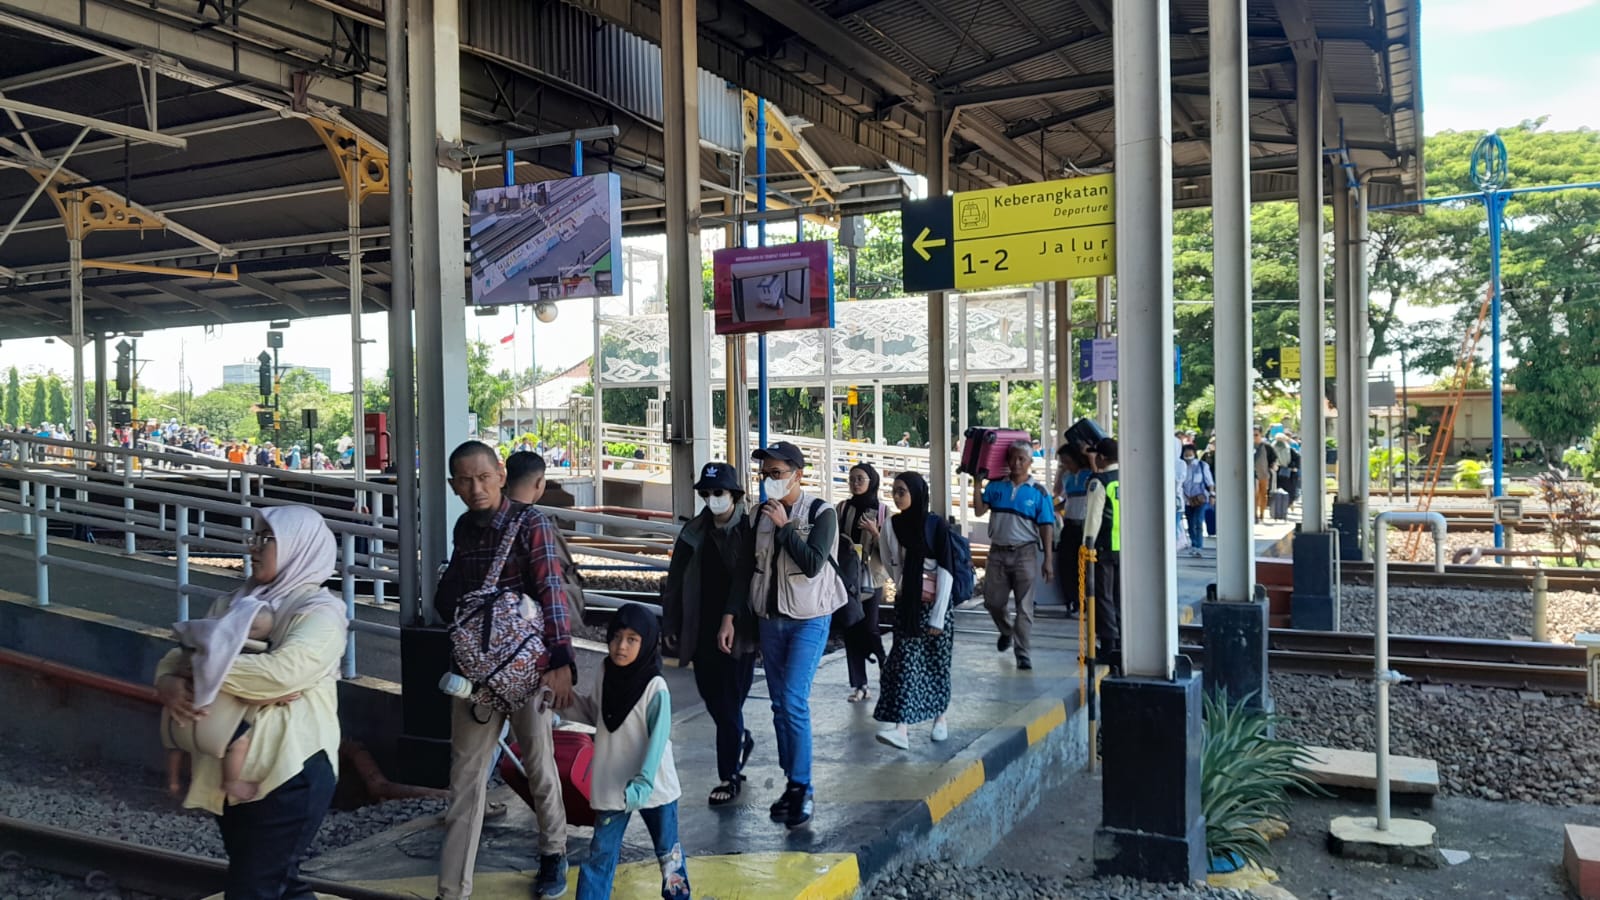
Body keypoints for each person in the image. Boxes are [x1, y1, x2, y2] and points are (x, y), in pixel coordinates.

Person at [153, 505, 348, 899]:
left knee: (254, 887)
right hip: (230, 770)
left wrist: (200, 665)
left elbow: (282, 673)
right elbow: (178, 655)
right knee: (278, 881)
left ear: (298, 546)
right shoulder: (234, 602)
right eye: (253, 538)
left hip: (290, 770)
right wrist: (169, 680)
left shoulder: (321, 613)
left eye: (266, 539)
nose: (254, 549)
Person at [435, 441, 576, 900]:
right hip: (475, 677)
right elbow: (453, 596)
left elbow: (552, 589)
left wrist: (560, 661)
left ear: (500, 473)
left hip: (528, 671)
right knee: (465, 781)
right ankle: (451, 890)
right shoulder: (463, 529)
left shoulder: (530, 521)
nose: (476, 488)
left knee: (538, 763)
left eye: (484, 477)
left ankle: (554, 852)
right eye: (465, 481)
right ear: (454, 487)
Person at [729, 441, 846, 829]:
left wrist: (785, 528)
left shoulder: (820, 512)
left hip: (809, 619)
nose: (769, 482)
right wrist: (731, 615)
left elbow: (813, 564)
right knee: (779, 704)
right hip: (770, 618)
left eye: (777, 474)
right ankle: (792, 783)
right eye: (765, 475)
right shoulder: (758, 515)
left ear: (799, 473)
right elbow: (746, 567)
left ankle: (802, 785)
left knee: (794, 700)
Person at [564, 604, 691, 900]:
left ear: (646, 642)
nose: (621, 646)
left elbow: (657, 742)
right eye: (617, 637)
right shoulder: (605, 671)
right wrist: (561, 700)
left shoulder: (655, 686)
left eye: (632, 639)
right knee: (599, 856)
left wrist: (644, 783)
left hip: (654, 785)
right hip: (614, 785)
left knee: (668, 856)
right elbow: (596, 714)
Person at [660, 461, 757, 806]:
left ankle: (728, 775)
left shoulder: (750, 529)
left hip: (740, 631)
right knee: (713, 697)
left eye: (719, 492)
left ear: (734, 494)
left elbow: (750, 579)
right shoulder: (693, 533)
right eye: (707, 493)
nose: (713, 499)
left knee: (730, 702)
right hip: (700, 628)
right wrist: (671, 624)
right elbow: (675, 581)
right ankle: (740, 741)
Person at [872, 471, 953, 749]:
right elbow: (888, 560)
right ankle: (901, 729)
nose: (896, 496)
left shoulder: (935, 525)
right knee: (905, 663)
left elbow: (947, 570)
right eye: (894, 491)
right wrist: (906, 584)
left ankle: (940, 718)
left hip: (936, 607)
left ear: (917, 493)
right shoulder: (892, 526)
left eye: (902, 491)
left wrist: (938, 616)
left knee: (936, 663)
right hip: (908, 606)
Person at [164, 606, 276, 802]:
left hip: (182, 709)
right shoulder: (241, 659)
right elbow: (248, 697)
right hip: (215, 717)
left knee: (176, 745)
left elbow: (177, 662)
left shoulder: (200, 643)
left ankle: (172, 781)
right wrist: (278, 697)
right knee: (240, 743)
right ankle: (231, 781)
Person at [971, 440, 1055, 671]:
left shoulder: (1039, 492)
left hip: (1025, 552)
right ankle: (1006, 629)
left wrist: (1047, 559)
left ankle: (1023, 653)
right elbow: (979, 510)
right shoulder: (996, 487)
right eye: (1013, 458)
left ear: (1030, 462)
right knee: (992, 602)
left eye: (1022, 459)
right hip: (997, 552)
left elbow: (1047, 525)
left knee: (1024, 606)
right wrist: (977, 485)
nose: (1016, 463)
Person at [838, 463, 890, 704]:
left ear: (871, 481)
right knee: (851, 629)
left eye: (860, 479)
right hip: (849, 578)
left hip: (873, 577)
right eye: (852, 479)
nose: (855, 483)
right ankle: (859, 684)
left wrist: (875, 532)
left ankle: (883, 662)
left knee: (870, 626)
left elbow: (891, 552)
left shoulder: (882, 512)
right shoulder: (841, 509)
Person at [1082, 437, 1121, 674]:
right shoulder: (1127, 479)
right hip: (1124, 547)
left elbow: (1093, 517)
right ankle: (1122, 642)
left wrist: (1088, 545)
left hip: (1104, 547)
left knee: (1103, 597)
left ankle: (1108, 644)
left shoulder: (1100, 480)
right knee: (1119, 596)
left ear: (1102, 458)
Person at [1054, 443, 1093, 615]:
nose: (1066, 465)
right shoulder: (1068, 476)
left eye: (1068, 461)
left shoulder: (1088, 475)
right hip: (1069, 522)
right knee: (1066, 565)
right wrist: (1061, 472)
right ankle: (1073, 599)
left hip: (1085, 524)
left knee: (1084, 565)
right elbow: (1060, 494)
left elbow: (1097, 477)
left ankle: (1086, 600)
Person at [1180, 443, 1215, 557]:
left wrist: (1212, 495)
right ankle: (1194, 544)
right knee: (1190, 523)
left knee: (1198, 522)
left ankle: (1198, 546)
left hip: (1200, 499)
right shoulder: (1181, 467)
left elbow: (1209, 482)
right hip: (1187, 500)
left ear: (1194, 454)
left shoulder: (1202, 465)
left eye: (1190, 453)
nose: (1188, 455)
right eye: (1186, 453)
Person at [1253, 427, 1275, 524]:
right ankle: (1254, 515)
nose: (1254, 437)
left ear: (1261, 435)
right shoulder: (1248, 446)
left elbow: (1273, 458)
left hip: (1264, 474)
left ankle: (1262, 513)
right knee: (1255, 494)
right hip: (1253, 475)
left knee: (1263, 494)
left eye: (1256, 435)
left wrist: (1272, 466)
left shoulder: (1267, 447)